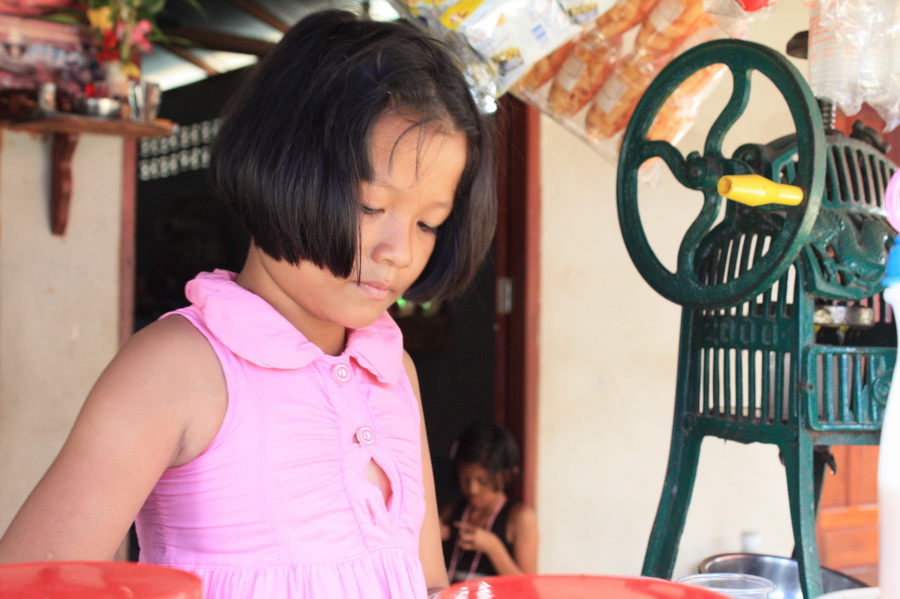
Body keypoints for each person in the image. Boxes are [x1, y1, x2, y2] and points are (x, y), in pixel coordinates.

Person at [0, 9, 497, 599]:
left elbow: (425, 579)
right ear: (283, 165)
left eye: (427, 223)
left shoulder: (394, 372)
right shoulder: (177, 369)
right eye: (371, 208)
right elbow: (28, 586)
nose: (400, 252)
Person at [441, 422, 538, 582]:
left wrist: (493, 548)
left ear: (505, 475)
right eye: (465, 479)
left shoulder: (520, 518)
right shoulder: (451, 511)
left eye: (483, 481)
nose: (472, 489)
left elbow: (529, 588)